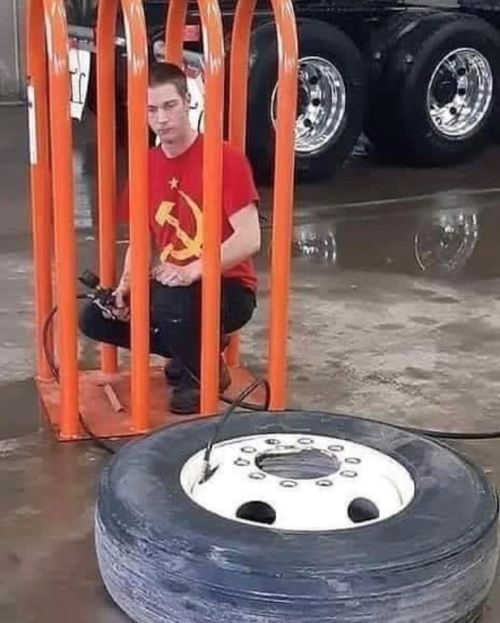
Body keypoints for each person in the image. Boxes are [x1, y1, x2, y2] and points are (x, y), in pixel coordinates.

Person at [79, 62, 261, 415]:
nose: (161, 119)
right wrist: (125, 288)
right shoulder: (145, 166)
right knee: (95, 318)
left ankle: (203, 373)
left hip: (229, 287)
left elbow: (250, 237)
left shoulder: (225, 159)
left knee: (168, 301)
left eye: (169, 106)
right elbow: (140, 241)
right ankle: (194, 351)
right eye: (151, 109)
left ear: (187, 101)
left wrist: (193, 269)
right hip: (174, 286)